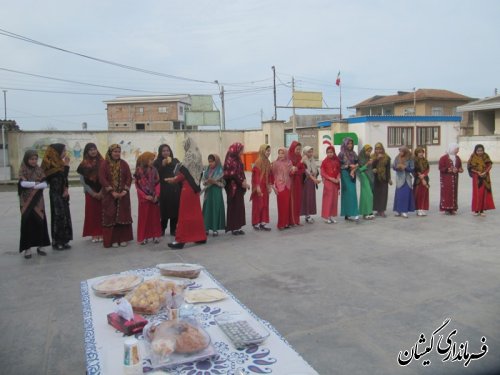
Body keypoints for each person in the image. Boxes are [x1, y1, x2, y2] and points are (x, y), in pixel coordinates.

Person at [166, 137, 207, 249]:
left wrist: (174, 179)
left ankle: (181, 240)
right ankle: (200, 237)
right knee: (196, 213)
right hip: (195, 188)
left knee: (184, 214)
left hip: (187, 188)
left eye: (185, 145)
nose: (184, 147)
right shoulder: (198, 154)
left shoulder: (189, 155)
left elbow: (185, 173)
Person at [99, 144, 133, 248]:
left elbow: (129, 177)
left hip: (123, 196)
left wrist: (124, 191)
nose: (117, 153)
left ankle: (122, 239)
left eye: (119, 151)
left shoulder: (124, 164)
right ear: (110, 152)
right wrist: (112, 192)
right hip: (109, 196)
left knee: (122, 216)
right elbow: (102, 178)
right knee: (111, 216)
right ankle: (112, 240)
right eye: (115, 151)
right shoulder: (105, 164)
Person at [18, 150, 51, 259]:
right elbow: (22, 183)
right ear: (26, 159)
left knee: (40, 222)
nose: (34, 161)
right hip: (26, 202)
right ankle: (27, 249)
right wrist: (36, 184)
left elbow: (45, 183)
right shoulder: (23, 168)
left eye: (35, 159)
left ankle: (41, 246)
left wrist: (33, 185)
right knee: (27, 223)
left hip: (38, 201)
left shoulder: (39, 169)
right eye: (31, 159)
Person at [41, 143, 73, 250]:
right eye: (63, 151)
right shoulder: (49, 163)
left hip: (63, 193)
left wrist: (66, 189)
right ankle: (57, 241)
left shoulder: (60, 164)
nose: (65, 153)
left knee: (65, 216)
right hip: (55, 194)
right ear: (56, 152)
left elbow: (64, 179)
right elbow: (57, 177)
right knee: (58, 216)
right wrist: (67, 166)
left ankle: (64, 240)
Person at [77, 143, 103, 242]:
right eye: (90, 150)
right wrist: (93, 193)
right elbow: (83, 181)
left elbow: (106, 178)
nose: (93, 151)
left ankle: (102, 232)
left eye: (94, 149)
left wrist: (101, 192)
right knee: (92, 213)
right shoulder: (83, 164)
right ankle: (94, 233)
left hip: (102, 192)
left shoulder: (103, 162)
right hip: (90, 193)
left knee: (102, 213)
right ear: (87, 152)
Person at [135, 151, 162, 245]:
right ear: (145, 160)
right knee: (144, 218)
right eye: (151, 160)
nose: (152, 162)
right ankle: (144, 237)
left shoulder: (154, 170)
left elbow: (158, 183)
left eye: (153, 160)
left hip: (154, 198)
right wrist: (145, 196)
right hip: (144, 199)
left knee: (154, 217)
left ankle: (155, 236)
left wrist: (157, 195)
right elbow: (138, 186)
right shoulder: (139, 171)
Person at [153, 144, 181, 236]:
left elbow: (180, 173)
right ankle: (162, 229)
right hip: (163, 189)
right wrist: (162, 165)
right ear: (160, 152)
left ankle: (173, 229)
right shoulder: (157, 162)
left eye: (167, 150)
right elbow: (154, 175)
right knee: (164, 210)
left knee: (175, 210)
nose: (166, 152)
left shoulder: (175, 160)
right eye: (164, 151)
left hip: (175, 189)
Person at [223, 142, 249, 235]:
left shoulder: (238, 159)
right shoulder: (230, 160)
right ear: (236, 150)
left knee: (239, 207)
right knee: (233, 207)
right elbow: (231, 174)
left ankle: (238, 227)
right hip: (232, 187)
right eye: (241, 150)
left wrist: (244, 180)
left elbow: (241, 171)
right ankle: (233, 228)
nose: (242, 152)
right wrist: (241, 182)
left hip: (239, 187)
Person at [467, 144, 495, 216]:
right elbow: (470, 167)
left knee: (483, 193)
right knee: (477, 193)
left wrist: (485, 172)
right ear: (475, 151)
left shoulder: (486, 156)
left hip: (485, 177)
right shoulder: (473, 157)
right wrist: (477, 172)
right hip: (476, 177)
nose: (480, 152)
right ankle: (476, 210)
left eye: (481, 150)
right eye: (478, 151)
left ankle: (482, 210)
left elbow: (490, 165)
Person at [202, 154, 226, 236]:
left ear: (217, 161)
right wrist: (206, 182)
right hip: (208, 193)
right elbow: (204, 181)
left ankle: (215, 229)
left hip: (216, 193)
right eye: (209, 162)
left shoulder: (220, 171)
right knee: (207, 210)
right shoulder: (207, 170)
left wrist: (214, 182)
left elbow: (223, 184)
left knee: (215, 210)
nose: (210, 163)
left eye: (212, 162)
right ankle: (206, 228)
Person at [251, 144, 273, 231]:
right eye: (267, 151)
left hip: (265, 186)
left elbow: (270, 175)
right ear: (262, 151)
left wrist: (270, 185)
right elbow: (256, 176)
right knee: (258, 205)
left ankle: (263, 222)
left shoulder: (267, 162)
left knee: (265, 204)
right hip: (258, 187)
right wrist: (257, 187)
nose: (269, 152)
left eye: (269, 151)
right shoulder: (258, 162)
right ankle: (256, 222)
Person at [439, 143, 463, 215]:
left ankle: (452, 208)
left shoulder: (457, 158)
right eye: (456, 149)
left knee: (454, 192)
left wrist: (459, 170)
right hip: (446, 178)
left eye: (458, 149)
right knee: (447, 192)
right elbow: (441, 168)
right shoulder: (443, 158)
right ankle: (446, 208)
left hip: (455, 178)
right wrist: (449, 169)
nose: (457, 151)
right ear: (452, 149)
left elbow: (460, 167)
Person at [338, 137, 359, 221]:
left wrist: (354, 168)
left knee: (353, 193)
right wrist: (349, 166)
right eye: (348, 143)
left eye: (351, 143)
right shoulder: (341, 154)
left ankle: (354, 212)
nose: (350, 145)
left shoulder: (353, 153)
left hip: (352, 174)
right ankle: (347, 213)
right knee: (347, 193)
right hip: (345, 174)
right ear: (344, 144)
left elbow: (358, 162)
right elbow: (338, 165)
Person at [272, 147, 292, 230]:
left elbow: (291, 173)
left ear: (286, 154)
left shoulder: (289, 162)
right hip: (279, 186)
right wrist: (274, 187)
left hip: (288, 185)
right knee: (281, 206)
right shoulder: (275, 163)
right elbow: (272, 175)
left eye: (282, 153)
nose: (280, 155)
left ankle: (286, 223)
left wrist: (293, 170)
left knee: (287, 205)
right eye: (279, 153)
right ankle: (281, 224)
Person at [392, 146, 415, 218]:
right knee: (399, 196)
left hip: (407, 179)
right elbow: (393, 166)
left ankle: (404, 211)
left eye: (402, 151)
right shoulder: (397, 157)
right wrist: (397, 167)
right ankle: (398, 211)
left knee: (405, 195)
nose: (400, 153)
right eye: (400, 151)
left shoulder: (410, 158)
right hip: (399, 179)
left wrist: (405, 168)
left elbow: (412, 168)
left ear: (405, 151)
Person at [320, 145, 341, 224]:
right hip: (328, 183)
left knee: (334, 200)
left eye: (331, 152)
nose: (330, 154)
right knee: (328, 200)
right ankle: (327, 217)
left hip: (335, 183)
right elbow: (322, 172)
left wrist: (338, 178)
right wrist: (330, 178)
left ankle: (331, 216)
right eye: (328, 152)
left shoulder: (336, 160)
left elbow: (339, 171)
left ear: (334, 152)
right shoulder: (325, 161)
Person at [371, 142, 392, 217]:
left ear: (382, 149)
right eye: (376, 149)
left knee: (384, 194)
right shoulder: (372, 157)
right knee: (376, 194)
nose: (378, 151)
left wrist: (389, 178)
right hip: (375, 178)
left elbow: (388, 169)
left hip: (384, 178)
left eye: (379, 149)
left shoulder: (387, 157)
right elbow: (371, 166)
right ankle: (377, 210)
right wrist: (377, 159)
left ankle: (382, 210)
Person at [301, 146, 320, 223]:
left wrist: (315, 174)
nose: (310, 153)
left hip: (312, 183)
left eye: (311, 152)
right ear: (305, 152)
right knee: (306, 198)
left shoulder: (312, 160)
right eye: (309, 152)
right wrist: (312, 175)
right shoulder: (303, 160)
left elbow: (316, 170)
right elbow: (305, 171)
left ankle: (308, 215)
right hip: (306, 182)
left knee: (311, 198)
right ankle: (307, 215)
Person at [288, 141, 305, 225]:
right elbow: (290, 172)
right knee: (292, 202)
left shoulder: (299, 156)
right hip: (291, 182)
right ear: (292, 148)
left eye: (299, 149)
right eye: (297, 149)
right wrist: (300, 163)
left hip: (298, 181)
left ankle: (297, 220)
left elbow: (303, 170)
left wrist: (297, 169)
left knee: (298, 201)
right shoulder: (289, 157)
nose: (298, 151)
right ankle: (292, 221)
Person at [357, 144, 375, 220]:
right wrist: (367, 164)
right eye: (368, 151)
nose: (369, 153)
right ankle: (367, 212)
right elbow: (359, 170)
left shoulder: (369, 158)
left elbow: (370, 168)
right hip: (364, 177)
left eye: (370, 151)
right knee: (368, 195)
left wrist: (373, 170)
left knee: (366, 196)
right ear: (364, 151)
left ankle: (367, 212)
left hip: (369, 178)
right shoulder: (360, 158)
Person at [413, 147, 430, 216]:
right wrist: (422, 178)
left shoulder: (425, 160)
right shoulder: (414, 161)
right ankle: (418, 209)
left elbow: (428, 169)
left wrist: (424, 175)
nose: (421, 153)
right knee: (418, 195)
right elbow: (415, 171)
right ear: (416, 153)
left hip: (425, 178)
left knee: (424, 195)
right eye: (419, 152)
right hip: (418, 180)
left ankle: (422, 208)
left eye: (422, 152)